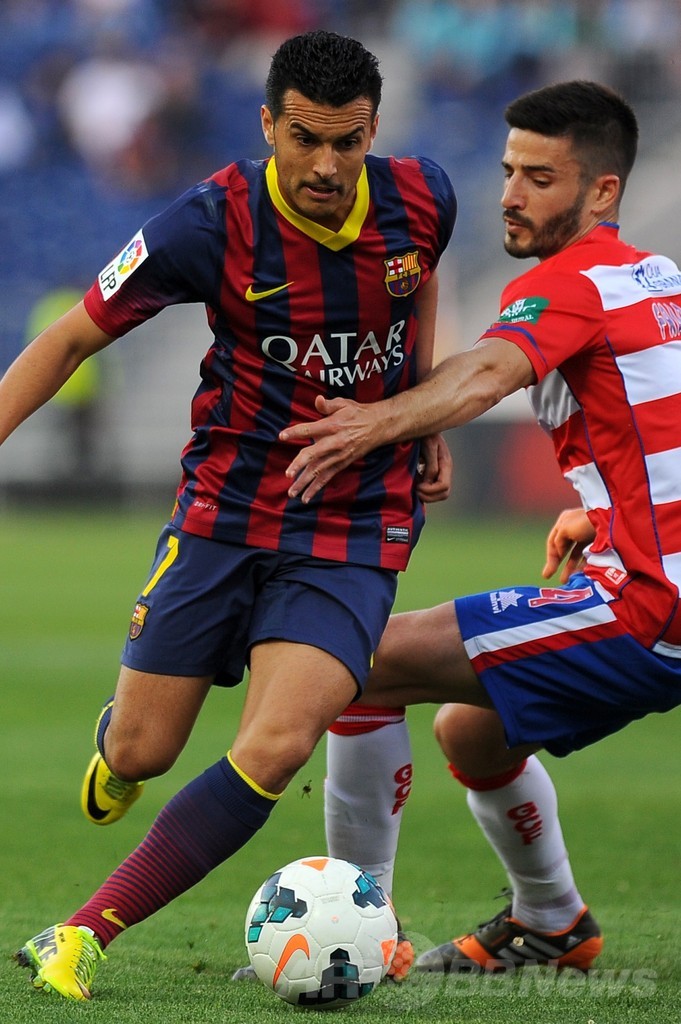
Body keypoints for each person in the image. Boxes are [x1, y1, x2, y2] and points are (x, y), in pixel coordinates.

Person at [5, 30, 456, 1000]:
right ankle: (121, 742)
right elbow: (72, 336)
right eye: (305, 139)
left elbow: (419, 281)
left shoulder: (424, 197)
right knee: (143, 750)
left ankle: (79, 932)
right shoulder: (206, 224)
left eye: (348, 142)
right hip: (226, 508)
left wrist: (418, 409)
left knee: (277, 744)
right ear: (266, 125)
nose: (327, 165)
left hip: (354, 522)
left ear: (374, 129)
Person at [278, 79, 681, 973]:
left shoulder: (567, 283)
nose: (509, 195)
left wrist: (374, 423)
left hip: (652, 605)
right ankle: (553, 923)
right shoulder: (657, 280)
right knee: (472, 730)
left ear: (602, 191)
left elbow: (485, 375)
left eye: (539, 178)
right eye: (507, 172)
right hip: (655, 579)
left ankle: (356, 933)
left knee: (361, 663)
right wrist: (605, 513)